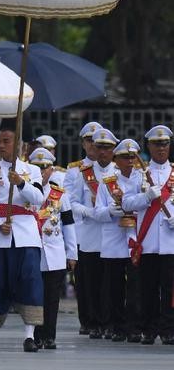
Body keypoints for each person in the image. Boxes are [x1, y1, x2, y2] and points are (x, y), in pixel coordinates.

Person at [0, 118, 45, 353]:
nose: (1, 145)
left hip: (26, 234)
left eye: (6, 141)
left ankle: (29, 335)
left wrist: (22, 183)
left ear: (18, 144)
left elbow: (39, 200)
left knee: (29, 282)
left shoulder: (32, 170)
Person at [122, 125, 174, 345]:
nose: (161, 148)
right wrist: (146, 197)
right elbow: (126, 202)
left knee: (170, 289)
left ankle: (169, 329)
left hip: (171, 242)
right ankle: (149, 329)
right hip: (149, 240)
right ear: (149, 146)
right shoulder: (139, 174)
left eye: (165, 143)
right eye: (156, 144)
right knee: (148, 288)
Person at [69, 127, 118, 339]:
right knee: (91, 283)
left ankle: (110, 322)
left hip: (114, 235)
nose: (101, 151)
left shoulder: (119, 171)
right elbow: (71, 202)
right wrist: (91, 212)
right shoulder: (83, 174)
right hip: (89, 234)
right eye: (98, 146)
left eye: (106, 147)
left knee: (112, 284)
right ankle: (93, 321)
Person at [29, 148, 77, 349]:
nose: (42, 171)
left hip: (55, 254)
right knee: (34, 297)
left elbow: (69, 224)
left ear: (52, 169)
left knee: (52, 298)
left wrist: (72, 252)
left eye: (45, 167)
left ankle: (50, 336)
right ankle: (35, 335)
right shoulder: (26, 192)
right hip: (32, 252)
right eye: (37, 167)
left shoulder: (59, 194)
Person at [94, 139, 141, 342]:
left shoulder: (143, 180)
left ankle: (133, 326)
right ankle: (116, 325)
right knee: (113, 288)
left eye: (132, 157)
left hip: (136, 239)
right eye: (124, 157)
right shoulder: (108, 182)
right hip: (114, 240)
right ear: (116, 159)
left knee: (135, 287)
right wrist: (110, 211)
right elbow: (98, 212)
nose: (129, 161)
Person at [64, 121, 102, 336]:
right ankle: (87, 320)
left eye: (97, 141)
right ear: (83, 143)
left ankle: (104, 319)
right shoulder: (75, 170)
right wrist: (89, 211)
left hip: (106, 232)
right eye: (89, 141)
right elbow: (68, 200)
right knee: (84, 281)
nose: (93, 145)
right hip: (83, 231)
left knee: (104, 280)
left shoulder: (111, 167)